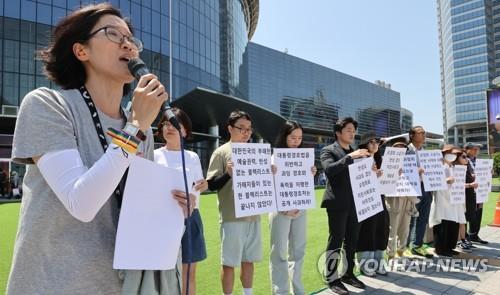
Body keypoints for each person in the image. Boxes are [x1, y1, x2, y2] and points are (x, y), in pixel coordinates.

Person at [6, 4, 191, 294]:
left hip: (119, 285)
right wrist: (136, 127)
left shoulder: (139, 124)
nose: (127, 43)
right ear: (82, 51)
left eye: (131, 38)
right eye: (112, 34)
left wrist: (172, 206)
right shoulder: (47, 105)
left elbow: (137, 205)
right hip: (55, 283)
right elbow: (82, 203)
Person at [207, 110, 262, 295]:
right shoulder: (221, 152)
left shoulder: (256, 152)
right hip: (232, 217)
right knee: (229, 262)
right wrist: (227, 174)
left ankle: (248, 293)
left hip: (254, 215)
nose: (246, 133)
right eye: (241, 128)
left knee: (249, 260)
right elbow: (211, 184)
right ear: (230, 128)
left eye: (249, 129)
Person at [154, 108, 208, 295]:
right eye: (166, 124)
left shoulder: (192, 157)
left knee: (188, 272)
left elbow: (198, 186)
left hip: (190, 219)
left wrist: (197, 191)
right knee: (163, 272)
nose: (169, 127)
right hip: (161, 220)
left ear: (185, 131)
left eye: (176, 124)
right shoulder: (153, 155)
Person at [320, 117, 371, 295]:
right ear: (338, 132)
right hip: (337, 203)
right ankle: (332, 278)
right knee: (336, 240)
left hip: (357, 203)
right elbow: (329, 170)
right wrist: (350, 157)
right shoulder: (328, 150)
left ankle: (348, 273)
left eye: (353, 130)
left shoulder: (358, 152)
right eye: (348, 129)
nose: (352, 133)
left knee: (352, 240)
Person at [269, 120, 316, 295]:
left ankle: (298, 290)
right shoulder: (273, 159)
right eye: (292, 137)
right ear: (284, 137)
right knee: (279, 253)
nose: (296, 141)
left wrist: (311, 174)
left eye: (299, 138)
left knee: (298, 252)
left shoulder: (305, 159)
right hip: (280, 211)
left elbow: (303, 185)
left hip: (300, 209)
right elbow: (267, 189)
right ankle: (280, 291)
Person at [355, 133, 389, 277]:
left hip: (380, 198)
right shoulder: (359, 158)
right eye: (371, 142)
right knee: (367, 230)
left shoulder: (380, 159)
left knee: (382, 229)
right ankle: (366, 264)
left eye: (376, 142)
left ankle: (379, 262)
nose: (375, 144)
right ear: (364, 145)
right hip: (365, 199)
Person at [384, 140, 419, 259]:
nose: (401, 149)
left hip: (408, 198)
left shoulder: (410, 162)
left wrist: (418, 172)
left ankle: (401, 253)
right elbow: (383, 180)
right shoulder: (386, 160)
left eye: (403, 147)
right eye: (397, 147)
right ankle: (391, 255)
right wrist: (394, 173)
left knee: (405, 229)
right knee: (392, 229)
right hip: (394, 198)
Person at [429, 145, 466, 257]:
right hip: (442, 199)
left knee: (453, 224)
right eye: (450, 153)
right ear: (444, 154)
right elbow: (432, 180)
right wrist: (446, 180)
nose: (453, 155)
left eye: (454, 154)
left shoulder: (454, 168)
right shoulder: (438, 167)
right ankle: (440, 248)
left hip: (454, 200)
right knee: (442, 224)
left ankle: (450, 247)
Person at [406, 126, 434, 258]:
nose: (424, 135)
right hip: (412, 188)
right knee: (410, 219)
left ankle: (417, 245)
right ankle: (405, 247)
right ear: (412, 135)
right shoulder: (406, 150)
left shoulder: (426, 152)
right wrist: (414, 171)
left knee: (423, 218)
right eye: (421, 133)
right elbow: (400, 169)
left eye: (424, 133)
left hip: (426, 188)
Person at [464, 142, 489, 244]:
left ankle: (474, 235)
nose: (476, 151)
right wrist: (472, 175)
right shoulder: (463, 160)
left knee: (478, 211)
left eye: (477, 149)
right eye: (474, 149)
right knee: (466, 213)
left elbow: (484, 174)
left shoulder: (479, 161)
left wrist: (488, 172)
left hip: (479, 190)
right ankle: (464, 237)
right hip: (467, 190)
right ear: (467, 149)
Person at [455, 150, 475, 253]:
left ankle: (463, 239)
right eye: (463, 157)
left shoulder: (466, 169)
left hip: (464, 198)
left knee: (462, 220)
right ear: (457, 158)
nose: (466, 158)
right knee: (459, 220)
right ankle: (459, 241)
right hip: (457, 198)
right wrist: (470, 185)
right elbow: (456, 185)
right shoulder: (455, 169)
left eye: (466, 156)